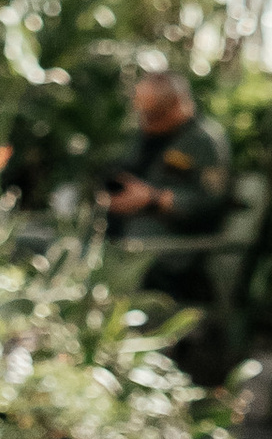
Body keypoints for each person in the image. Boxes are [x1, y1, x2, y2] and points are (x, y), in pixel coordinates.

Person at [99, 60, 232, 318]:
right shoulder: (141, 136)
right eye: (142, 112)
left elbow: (211, 204)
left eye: (153, 114)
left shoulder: (204, 142)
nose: (145, 120)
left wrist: (154, 199)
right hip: (119, 232)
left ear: (177, 104)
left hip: (173, 246)